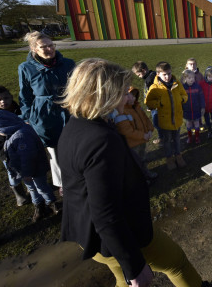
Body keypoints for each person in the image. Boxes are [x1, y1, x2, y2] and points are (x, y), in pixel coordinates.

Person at [57, 58, 204, 287]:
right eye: (122, 92)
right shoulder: (102, 140)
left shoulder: (74, 126)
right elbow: (106, 213)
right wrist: (134, 264)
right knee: (176, 263)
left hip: (90, 235)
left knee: (121, 278)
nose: (128, 98)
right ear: (104, 95)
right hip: (122, 234)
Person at [18, 31, 75, 194]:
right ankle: (62, 183)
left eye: (51, 45)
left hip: (69, 109)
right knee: (54, 150)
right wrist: (28, 116)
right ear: (34, 49)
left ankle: (78, 175)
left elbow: (79, 86)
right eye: (44, 47)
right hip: (45, 114)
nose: (49, 49)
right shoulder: (26, 68)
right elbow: (25, 95)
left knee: (73, 145)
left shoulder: (68, 63)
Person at [0, 110, 60, 222]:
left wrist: (27, 173)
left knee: (41, 187)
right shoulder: (13, 133)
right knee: (31, 188)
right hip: (24, 171)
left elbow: (28, 157)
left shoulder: (22, 135)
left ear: (4, 126)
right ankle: (39, 205)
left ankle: (51, 203)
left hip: (34, 169)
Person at [145, 62, 187, 170]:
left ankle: (178, 155)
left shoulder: (176, 83)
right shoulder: (154, 87)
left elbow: (184, 94)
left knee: (177, 139)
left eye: (169, 73)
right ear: (158, 74)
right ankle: (169, 158)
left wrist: (182, 99)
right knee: (167, 141)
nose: (167, 76)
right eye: (164, 74)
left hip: (177, 119)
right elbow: (148, 102)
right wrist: (159, 103)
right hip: (165, 121)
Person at [112, 87, 157, 182]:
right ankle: (141, 180)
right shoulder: (121, 111)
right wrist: (143, 135)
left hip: (142, 141)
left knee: (143, 159)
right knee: (136, 163)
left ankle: (146, 173)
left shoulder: (137, 107)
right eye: (130, 96)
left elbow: (145, 118)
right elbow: (126, 131)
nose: (134, 99)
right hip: (133, 144)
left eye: (134, 96)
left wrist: (150, 129)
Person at [131, 61, 161, 145]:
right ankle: (164, 136)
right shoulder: (152, 75)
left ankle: (162, 138)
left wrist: (149, 105)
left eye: (139, 75)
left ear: (143, 71)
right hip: (155, 104)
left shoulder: (150, 79)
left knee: (156, 122)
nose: (139, 77)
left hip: (155, 105)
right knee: (159, 122)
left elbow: (151, 94)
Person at [181, 70, 205, 145]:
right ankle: (190, 137)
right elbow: (180, 100)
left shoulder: (197, 87)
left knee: (196, 123)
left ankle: (197, 137)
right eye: (189, 78)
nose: (192, 79)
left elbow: (201, 97)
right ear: (185, 79)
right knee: (188, 124)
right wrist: (181, 109)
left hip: (196, 110)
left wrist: (203, 107)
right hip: (187, 110)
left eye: (193, 77)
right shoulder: (183, 88)